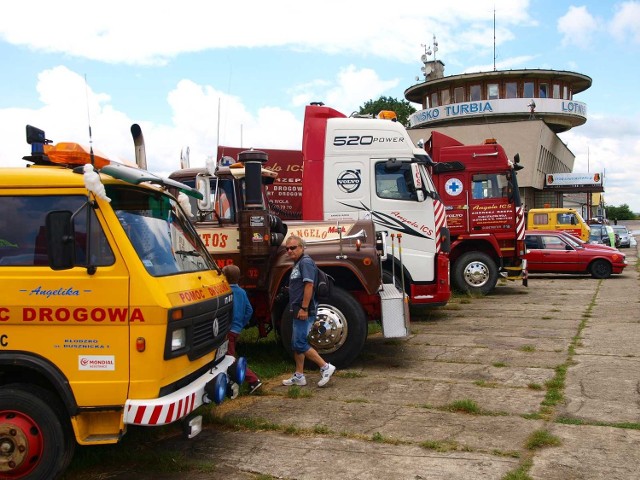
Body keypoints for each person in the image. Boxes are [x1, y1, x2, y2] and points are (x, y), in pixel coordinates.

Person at [282, 234, 336, 387]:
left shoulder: (305, 262)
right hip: (297, 309)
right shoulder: (298, 263)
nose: (290, 251)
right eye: (287, 249)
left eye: (293, 247)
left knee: (299, 343)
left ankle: (326, 367)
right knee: (296, 343)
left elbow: (309, 285)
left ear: (302, 247)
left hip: (304, 309)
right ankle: (299, 376)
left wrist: (305, 308)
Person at [222, 264, 262, 394]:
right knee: (229, 356)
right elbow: (249, 310)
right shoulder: (242, 292)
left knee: (230, 358)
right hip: (236, 330)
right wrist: (241, 324)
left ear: (225, 277)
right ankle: (231, 380)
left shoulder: (226, 292)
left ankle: (253, 380)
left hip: (227, 330)